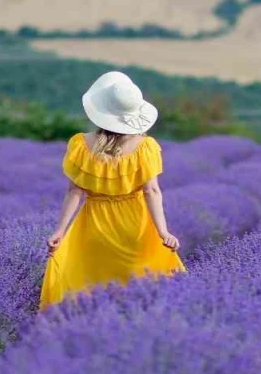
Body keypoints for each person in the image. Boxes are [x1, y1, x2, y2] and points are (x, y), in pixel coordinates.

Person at [38, 71, 184, 310]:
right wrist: (163, 232)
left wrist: (60, 231)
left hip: (94, 225)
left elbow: (74, 191)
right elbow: (152, 192)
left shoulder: (80, 145)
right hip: (135, 225)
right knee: (140, 288)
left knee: (91, 284)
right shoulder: (145, 147)